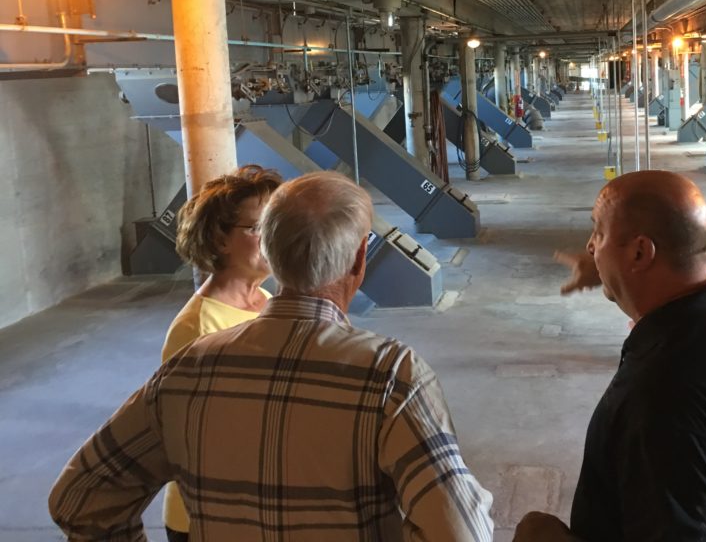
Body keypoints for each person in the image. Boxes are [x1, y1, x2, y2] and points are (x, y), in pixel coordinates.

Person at [50, 171, 493, 541]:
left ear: (274, 254)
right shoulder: (393, 378)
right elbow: (460, 531)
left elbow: (79, 498)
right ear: (359, 260)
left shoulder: (187, 369)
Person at [517, 170, 706, 541]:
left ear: (639, 252)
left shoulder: (666, 398)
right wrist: (608, 270)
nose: (590, 245)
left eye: (598, 233)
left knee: (536, 532)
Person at [160, 164, 283, 542]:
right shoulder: (197, 328)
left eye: (275, 226)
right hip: (208, 518)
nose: (271, 238)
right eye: (256, 228)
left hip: (254, 509)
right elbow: (187, 437)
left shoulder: (264, 300)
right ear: (219, 239)